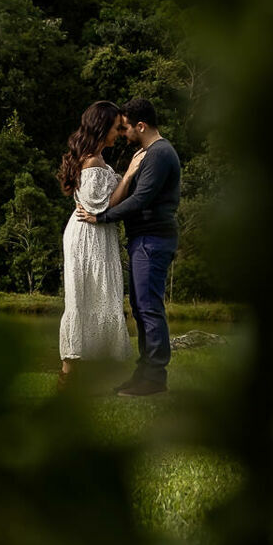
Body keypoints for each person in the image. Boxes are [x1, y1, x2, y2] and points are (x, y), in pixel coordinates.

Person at [76, 97, 181, 397]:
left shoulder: (159, 154)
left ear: (141, 125)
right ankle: (144, 373)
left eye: (125, 128)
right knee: (140, 307)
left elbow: (140, 200)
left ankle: (154, 378)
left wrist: (102, 216)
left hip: (153, 240)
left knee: (148, 308)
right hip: (143, 240)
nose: (122, 134)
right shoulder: (148, 153)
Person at [57, 101, 137, 388]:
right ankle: (67, 377)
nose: (120, 132)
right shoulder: (91, 161)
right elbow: (100, 207)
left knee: (100, 297)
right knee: (83, 298)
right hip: (86, 238)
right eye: (117, 128)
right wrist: (128, 174)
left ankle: (91, 376)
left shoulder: (98, 159)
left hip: (98, 236)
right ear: (102, 127)